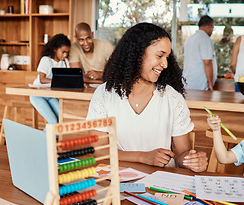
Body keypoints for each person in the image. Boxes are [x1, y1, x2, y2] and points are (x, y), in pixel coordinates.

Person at [86, 22, 208, 172]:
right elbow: (99, 151)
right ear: (137, 54)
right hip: (119, 183)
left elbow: (181, 153)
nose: (165, 64)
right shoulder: (104, 95)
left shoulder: (173, 99)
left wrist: (192, 160)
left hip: (161, 186)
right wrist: (143, 157)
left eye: (167, 57)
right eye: (159, 56)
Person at [30, 34, 71, 124]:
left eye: (67, 52)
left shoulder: (64, 62)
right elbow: (42, 79)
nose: (65, 55)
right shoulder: (46, 60)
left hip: (51, 96)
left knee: (62, 118)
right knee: (53, 121)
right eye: (63, 52)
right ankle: (46, 138)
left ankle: (50, 138)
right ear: (55, 49)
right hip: (38, 95)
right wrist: (60, 81)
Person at [183, 15, 217, 91]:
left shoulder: (190, 39)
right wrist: (210, 83)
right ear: (209, 26)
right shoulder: (205, 39)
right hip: (200, 84)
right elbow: (207, 62)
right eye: (212, 28)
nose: (212, 31)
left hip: (188, 82)